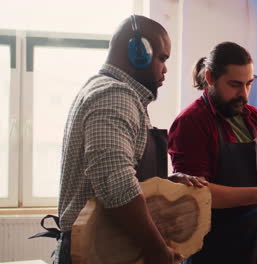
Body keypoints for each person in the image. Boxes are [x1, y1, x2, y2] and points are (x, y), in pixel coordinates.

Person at [41, 15, 207, 264]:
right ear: (138, 51)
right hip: (96, 253)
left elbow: (119, 175)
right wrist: (156, 249)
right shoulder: (114, 95)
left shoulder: (113, 93)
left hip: (113, 249)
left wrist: (162, 183)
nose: (165, 69)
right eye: (162, 58)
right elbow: (116, 184)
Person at [168, 42, 257, 264]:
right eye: (235, 85)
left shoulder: (252, 116)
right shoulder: (191, 122)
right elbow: (196, 193)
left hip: (255, 246)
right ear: (210, 78)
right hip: (211, 251)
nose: (244, 95)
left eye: (249, 84)